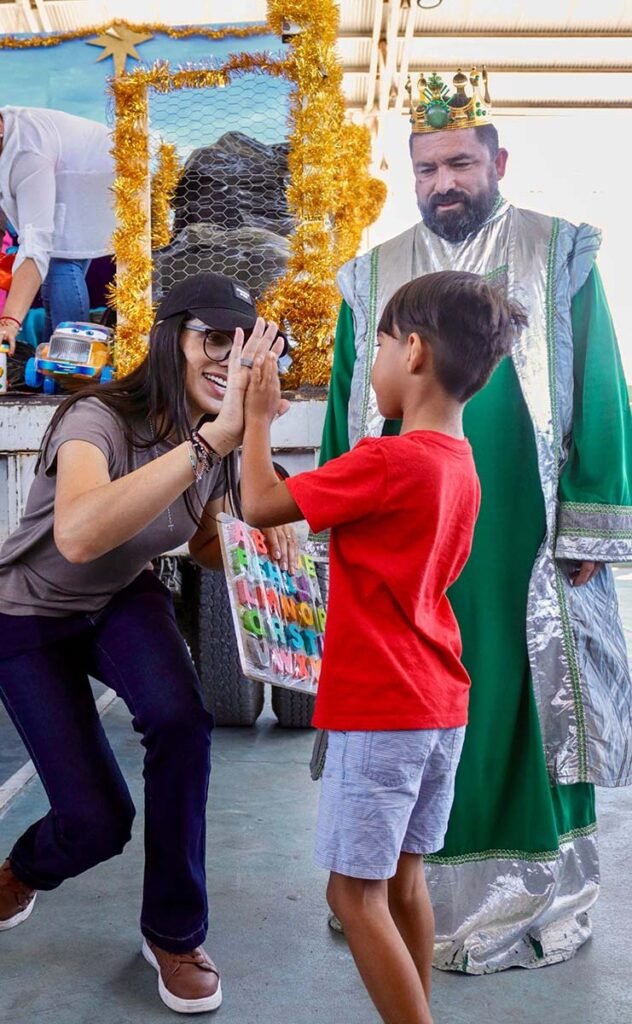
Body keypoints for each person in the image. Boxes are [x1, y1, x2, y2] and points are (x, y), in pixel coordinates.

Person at [317, 68, 632, 973]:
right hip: (407, 538)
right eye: (425, 168)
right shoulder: (370, 272)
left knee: (523, 693)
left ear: (498, 159)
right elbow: (347, 411)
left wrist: (588, 524)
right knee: (406, 696)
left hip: (525, 542)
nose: (442, 183)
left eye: (459, 162)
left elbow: (600, 385)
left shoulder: (558, 249)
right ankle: (395, 885)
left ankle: (530, 887)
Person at [0, 271, 297, 1014]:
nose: (229, 358)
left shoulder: (219, 439)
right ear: (171, 340)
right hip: (28, 614)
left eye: (245, 346)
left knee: (183, 720)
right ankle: (20, 872)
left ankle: (174, 933)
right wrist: (214, 441)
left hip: (120, 596)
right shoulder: (95, 417)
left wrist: (265, 534)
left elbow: (199, 542)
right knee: (98, 823)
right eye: (214, 340)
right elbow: (76, 534)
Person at [239, 270, 526, 1024]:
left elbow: (261, 504)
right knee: (404, 882)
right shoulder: (459, 465)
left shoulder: (388, 458)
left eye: (377, 346)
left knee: (351, 894)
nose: (372, 363)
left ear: (415, 351)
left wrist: (258, 419)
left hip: (382, 709)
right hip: (438, 704)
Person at [0, 106, 116, 354]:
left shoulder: (27, 152)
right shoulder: (12, 135)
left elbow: (35, 245)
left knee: (63, 261)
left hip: (105, 175)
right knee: (54, 265)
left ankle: (71, 358)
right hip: (81, 175)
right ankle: (51, 358)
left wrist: (8, 321)